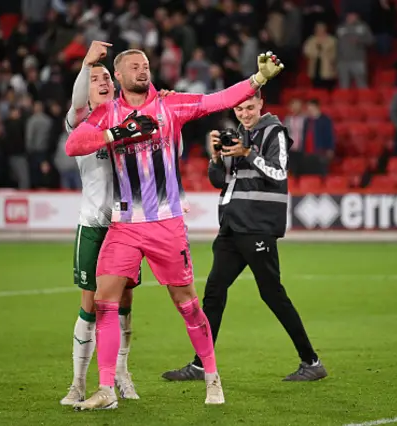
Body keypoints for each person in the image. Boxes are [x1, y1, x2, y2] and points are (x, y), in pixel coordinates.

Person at [65, 48, 284, 410]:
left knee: (187, 305)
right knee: (105, 301)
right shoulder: (108, 114)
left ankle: (212, 376)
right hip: (124, 225)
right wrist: (117, 133)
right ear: (118, 76)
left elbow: (218, 100)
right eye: (134, 66)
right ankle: (105, 388)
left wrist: (257, 80)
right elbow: (74, 144)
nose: (142, 70)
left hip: (166, 223)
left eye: (146, 65)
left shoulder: (171, 105)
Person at [162, 91, 327, 383]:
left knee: (272, 294)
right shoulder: (237, 134)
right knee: (214, 292)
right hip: (232, 227)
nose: (245, 114)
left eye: (250, 108)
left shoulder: (274, 131)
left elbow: (278, 173)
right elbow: (219, 182)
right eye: (240, 109)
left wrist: (247, 153)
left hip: (258, 225)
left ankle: (311, 361)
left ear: (261, 104)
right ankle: (201, 364)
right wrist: (216, 158)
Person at [60, 41, 141, 406]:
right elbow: (78, 100)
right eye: (96, 79)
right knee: (90, 305)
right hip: (93, 225)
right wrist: (86, 64)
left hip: (125, 226)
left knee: (124, 302)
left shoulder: (126, 118)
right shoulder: (80, 122)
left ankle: (121, 372)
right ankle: (77, 383)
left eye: (107, 76)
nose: (104, 81)